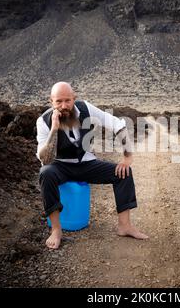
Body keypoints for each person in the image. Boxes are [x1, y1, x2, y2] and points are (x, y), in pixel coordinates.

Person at [36, 82, 149, 249]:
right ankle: (56, 230)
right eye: (58, 101)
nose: (64, 106)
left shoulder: (86, 109)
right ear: (51, 101)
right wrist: (54, 130)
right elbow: (45, 159)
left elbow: (117, 123)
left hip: (86, 163)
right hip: (60, 166)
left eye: (68, 100)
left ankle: (125, 226)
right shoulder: (43, 121)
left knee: (124, 172)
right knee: (46, 173)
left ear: (74, 99)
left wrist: (127, 156)